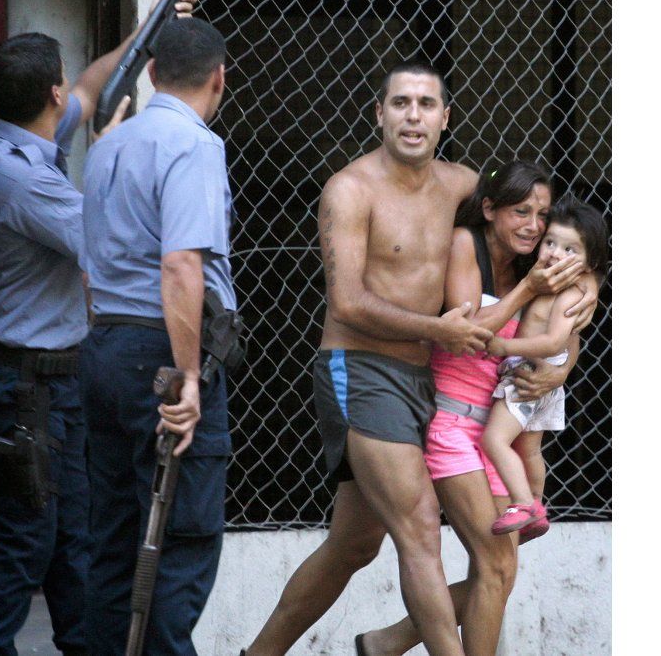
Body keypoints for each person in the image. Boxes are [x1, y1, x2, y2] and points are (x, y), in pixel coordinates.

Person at [242, 81, 598, 655]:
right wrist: (439, 329)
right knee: (420, 526)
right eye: (401, 103)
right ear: (379, 112)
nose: (413, 116)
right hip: (361, 367)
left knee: (354, 545)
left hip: (425, 379)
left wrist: (583, 305)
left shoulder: (464, 185)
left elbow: (537, 237)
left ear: (445, 118)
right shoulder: (350, 188)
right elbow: (346, 303)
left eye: (426, 104)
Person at [0, 0, 197, 656]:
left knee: (73, 532)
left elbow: (92, 85)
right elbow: (107, 242)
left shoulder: (10, 135)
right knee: (27, 530)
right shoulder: (24, 181)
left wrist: (151, 23)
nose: (72, 89)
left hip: (44, 376)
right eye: (62, 82)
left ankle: (85, 645)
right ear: (50, 96)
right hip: (23, 380)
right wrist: (113, 155)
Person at [357, 161, 599, 656]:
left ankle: (387, 643)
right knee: (492, 564)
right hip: (452, 423)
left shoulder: (538, 264)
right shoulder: (468, 246)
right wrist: (531, 290)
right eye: (521, 212)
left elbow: (563, 327)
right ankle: (389, 642)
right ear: (490, 209)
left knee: (502, 569)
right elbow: (470, 332)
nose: (533, 226)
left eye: (542, 215)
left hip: (499, 432)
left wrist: (564, 364)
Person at [79, 17, 235, 656]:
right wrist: (189, 376)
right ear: (219, 78)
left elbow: (89, 269)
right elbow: (180, 264)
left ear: (150, 73)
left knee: (115, 537)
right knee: (181, 536)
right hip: (162, 353)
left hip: (105, 346)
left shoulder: (106, 147)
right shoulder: (194, 145)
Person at [483, 195, 609, 536]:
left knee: (494, 440)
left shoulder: (569, 295)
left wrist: (504, 346)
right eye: (550, 242)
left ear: (589, 263)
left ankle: (523, 503)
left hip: (528, 374)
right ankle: (537, 507)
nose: (555, 253)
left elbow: (555, 342)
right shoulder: (555, 282)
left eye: (569, 249)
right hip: (543, 378)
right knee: (528, 449)